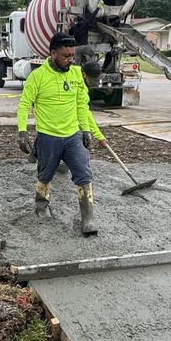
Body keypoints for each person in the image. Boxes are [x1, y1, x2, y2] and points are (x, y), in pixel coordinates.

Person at [17, 33, 104, 235]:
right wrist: (22, 131)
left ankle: (88, 219)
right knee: (45, 175)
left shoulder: (76, 75)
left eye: (73, 55)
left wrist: (86, 130)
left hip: (73, 136)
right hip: (48, 136)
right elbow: (24, 105)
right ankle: (41, 206)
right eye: (66, 56)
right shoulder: (37, 77)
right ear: (53, 53)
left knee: (83, 173)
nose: (71, 60)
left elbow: (82, 105)